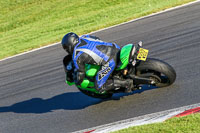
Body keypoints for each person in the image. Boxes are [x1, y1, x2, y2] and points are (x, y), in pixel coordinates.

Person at [62, 32, 133, 93]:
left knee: (99, 87)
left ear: (70, 45)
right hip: (115, 47)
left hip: (109, 61)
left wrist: (77, 81)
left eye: (66, 48)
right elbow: (97, 38)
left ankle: (126, 83)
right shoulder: (85, 37)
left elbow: (81, 72)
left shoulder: (77, 55)